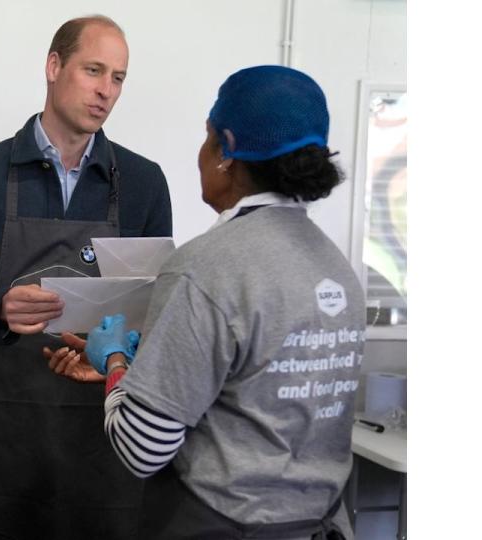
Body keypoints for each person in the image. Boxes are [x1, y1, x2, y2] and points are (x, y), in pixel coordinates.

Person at [47, 65, 364, 539]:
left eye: (206, 137)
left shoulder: (205, 267)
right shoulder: (336, 268)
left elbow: (142, 446)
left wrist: (114, 360)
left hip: (225, 524)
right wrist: (150, 371)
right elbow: (258, 392)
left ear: (226, 151)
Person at [0, 15, 172, 540]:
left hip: (104, 421)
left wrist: (112, 350)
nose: (106, 91)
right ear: (54, 65)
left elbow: (157, 308)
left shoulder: (145, 183)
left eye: (119, 78)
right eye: (94, 70)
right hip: (2, 425)